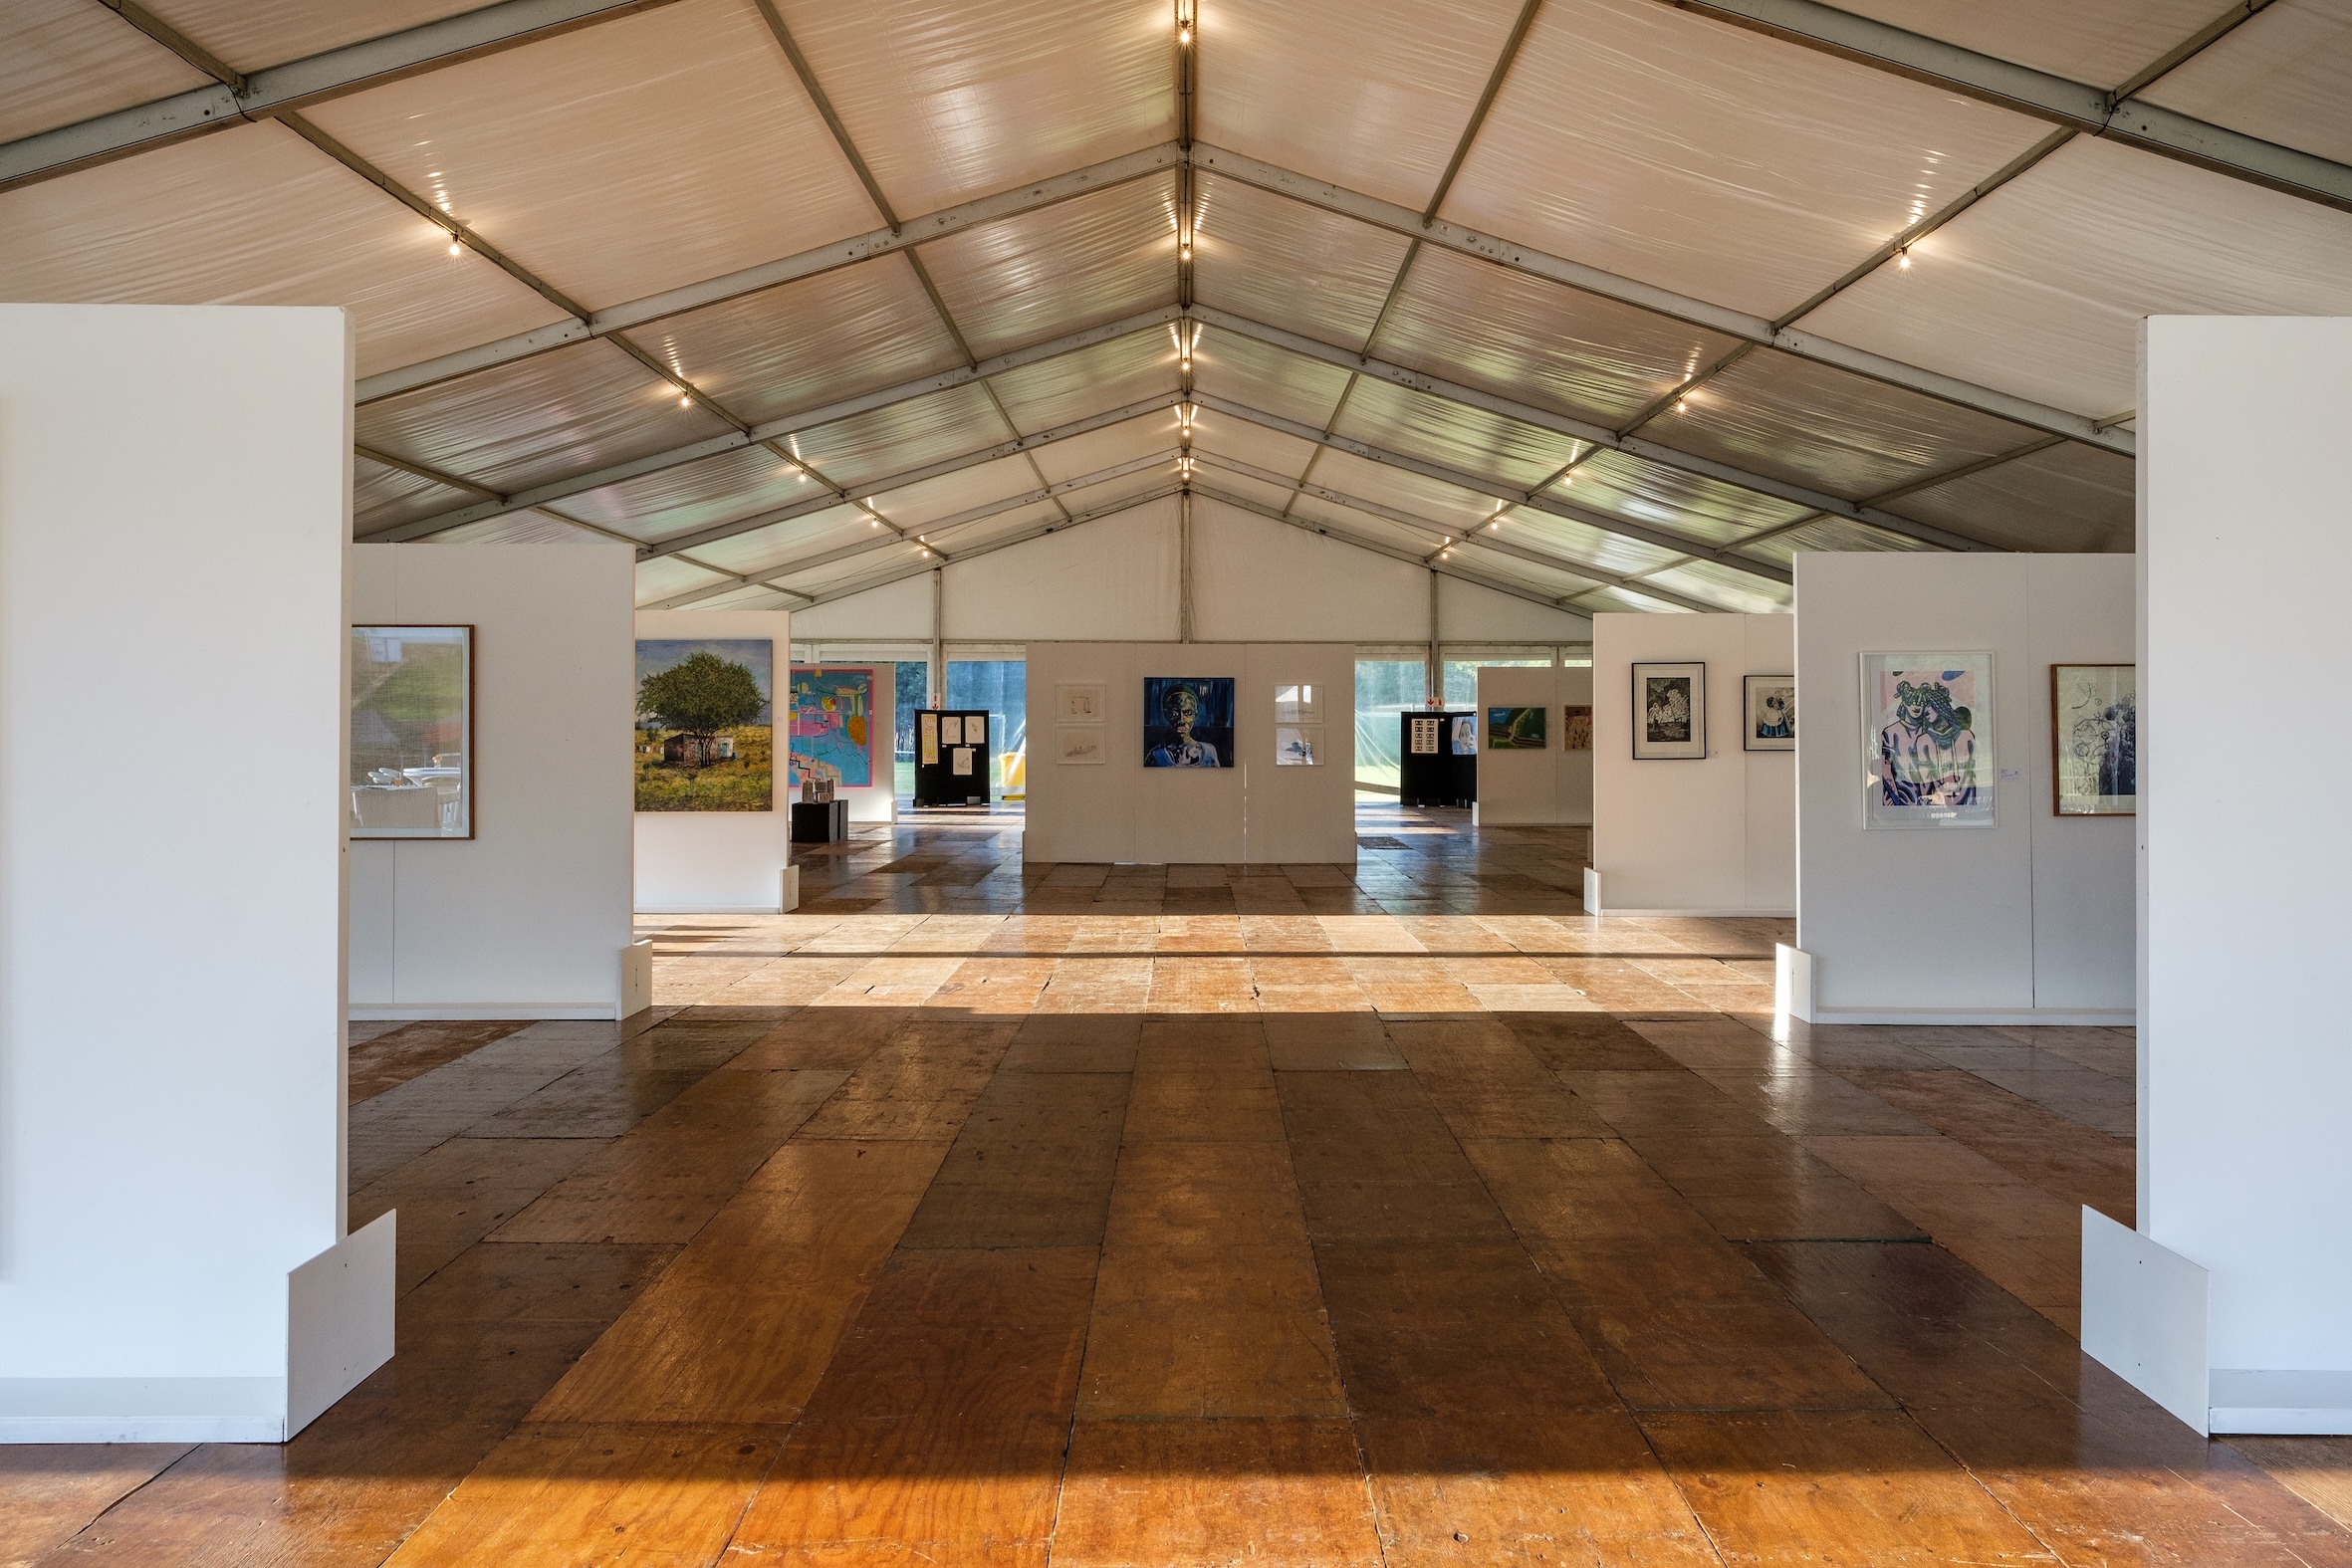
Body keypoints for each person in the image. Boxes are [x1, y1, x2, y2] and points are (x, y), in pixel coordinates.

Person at [1878, 678, 1976, 805]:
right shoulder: (1894, 733)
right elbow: (1886, 770)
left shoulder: (1928, 733)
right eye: (1911, 702)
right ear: (1904, 703)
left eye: (1922, 704)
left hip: (1947, 799)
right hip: (1903, 796)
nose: (1918, 707)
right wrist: (1895, 801)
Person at [1147, 683, 1222, 767]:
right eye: (1174, 713)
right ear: (1166, 715)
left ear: (1195, 715)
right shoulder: (1156, 755)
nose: (1181, 720)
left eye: (1188, 713)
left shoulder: (1208, 752)